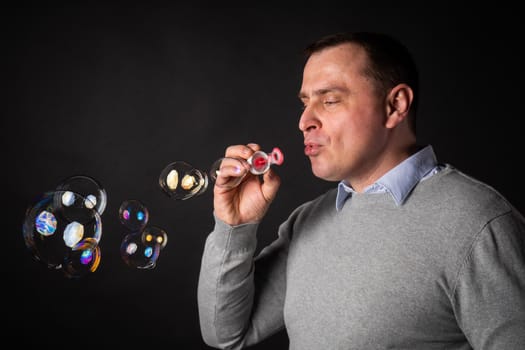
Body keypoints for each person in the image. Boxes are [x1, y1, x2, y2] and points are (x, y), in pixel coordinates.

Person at [196, 31, 525, 349]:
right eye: (305, 103)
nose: (305, 121)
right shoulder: (309, 220)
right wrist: (235, 227)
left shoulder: (478, 223)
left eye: (330, 100)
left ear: (395, 105)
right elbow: (227, 333)